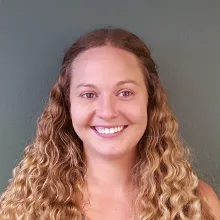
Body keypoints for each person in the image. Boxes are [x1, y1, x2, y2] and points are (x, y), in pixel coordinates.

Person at [0, 27, 219, 220]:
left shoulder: (199, 204)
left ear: (150, 101)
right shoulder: (21, 208)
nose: (107, 112)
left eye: (125, 93)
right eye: (88, 94)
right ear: (68, 106)